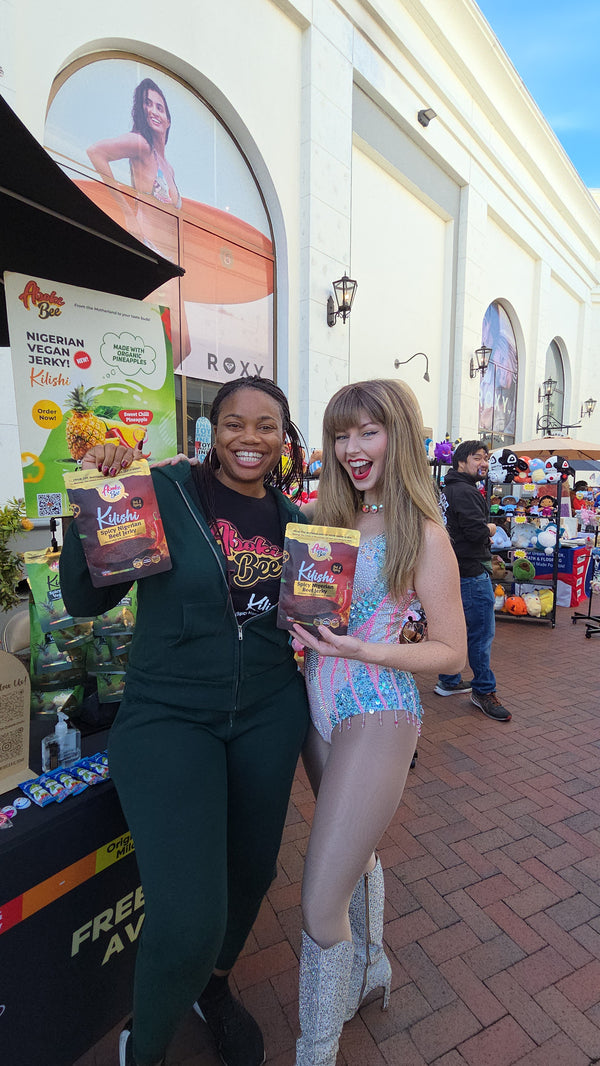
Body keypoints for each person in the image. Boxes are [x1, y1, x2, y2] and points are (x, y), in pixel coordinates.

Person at [59, 376, 310, 1066]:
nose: (250, 438)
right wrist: (98, 492)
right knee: (190, 916)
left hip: (268, 712)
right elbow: (85, 601)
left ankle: (213, 989)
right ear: (211, 432)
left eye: (266, 426)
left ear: (284, 438)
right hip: (170, 715)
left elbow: (307, 621)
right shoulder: (163, 492)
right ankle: (144, 1047)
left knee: (252, 874)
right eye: (234, 423)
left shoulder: (297, 523)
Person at [290, 379, 466, 1065]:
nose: (352, 447)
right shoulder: (323, 516)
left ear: (400, 436)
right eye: (341, 434)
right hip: (317, 707)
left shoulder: (423, 533)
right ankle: (369, 970)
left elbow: (452, 652)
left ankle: (317, 1049)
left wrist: (366, 649)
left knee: (317, 903)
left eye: (368, 431)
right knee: (353, 854)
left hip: (376, 709)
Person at [86, 77, 190, 365]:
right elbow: (96, 152)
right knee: (158, 338)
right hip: (150, 251)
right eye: (148, 104)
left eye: (160, 107)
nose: (154, 111)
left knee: (182, 345)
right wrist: (127, 212)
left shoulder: (168, 167)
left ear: (169, 119)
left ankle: (146, 384)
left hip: (169, 260)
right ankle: (139, 385)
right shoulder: (141, 144)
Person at [434, 440, 512, 722]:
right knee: (480, 633)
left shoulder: (448, 490)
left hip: (451, 569)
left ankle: (449, 679)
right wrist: (490, 528)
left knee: (452, 629)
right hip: (470, 572)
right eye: (477, 458)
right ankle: (483, 690)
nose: (484, 463)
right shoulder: (465, 492)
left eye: (486, 458)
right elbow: (475, 532)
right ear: (460, 461)